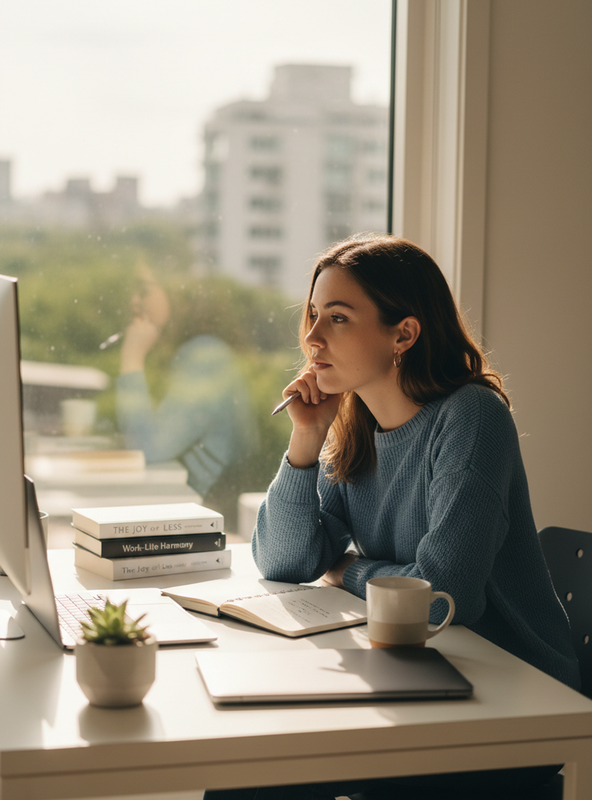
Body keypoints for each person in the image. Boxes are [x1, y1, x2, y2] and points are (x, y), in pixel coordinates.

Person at [203, 234, 579, 800]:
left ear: (403, 333)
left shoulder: (472, 417)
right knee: (252, 758)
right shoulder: (356, 427)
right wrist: (306, 439)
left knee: (265, 771)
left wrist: (348, 569)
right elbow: (285, 562)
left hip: (513, 702)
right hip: (422, 675)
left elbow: (440, 599)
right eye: (311, 316)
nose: (310, 338)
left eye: (337, 318)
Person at [116, 263, 256, 505]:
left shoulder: (205, 356)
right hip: (190, 510)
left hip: (205, 518)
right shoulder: (189, 355)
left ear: (172, 291)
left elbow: (147, 449)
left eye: (144, 290)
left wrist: (131, 359)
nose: (134, 301)